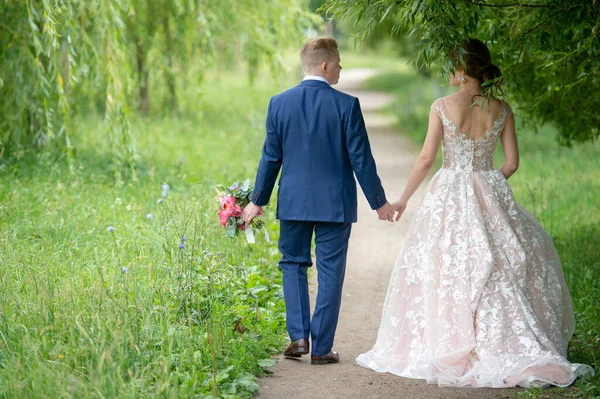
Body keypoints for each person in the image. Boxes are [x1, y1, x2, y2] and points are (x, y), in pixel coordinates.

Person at [356, 38, 594, 387]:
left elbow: (426, 159)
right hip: (490, 189)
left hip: (450, 191)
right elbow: (511, 163)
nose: (449, 71)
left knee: (451, 263)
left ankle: (454, 337)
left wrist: (403, 199)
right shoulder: (503, 108)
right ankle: (499, 339)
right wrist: (487, 184)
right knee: (499, 264)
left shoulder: (441, 106)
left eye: (453, 64)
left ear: (463, 70)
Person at [242, 37, 396, 365]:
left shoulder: (278, 104)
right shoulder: (346, 106)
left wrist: (258, 200)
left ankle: (299, 337)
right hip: (335, 205)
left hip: (294, 202)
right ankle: (322, 348)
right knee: (330, 271)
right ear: (325, 66)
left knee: (293, 264)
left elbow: (271, 158)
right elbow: (361, 159)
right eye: (338, 63)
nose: (341, 68)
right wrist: (379, 201)